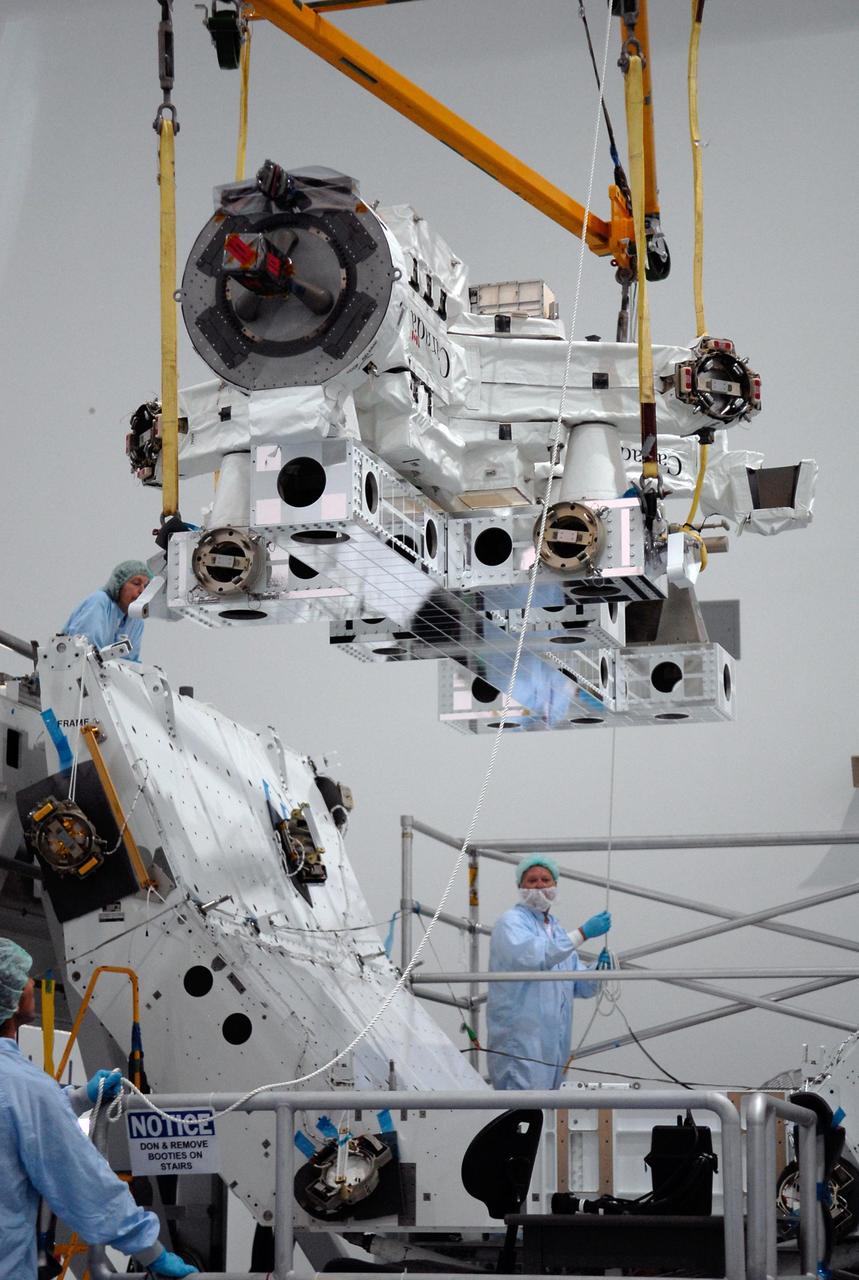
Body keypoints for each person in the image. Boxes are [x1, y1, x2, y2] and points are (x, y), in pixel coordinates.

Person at [0, 938, 196, 1278]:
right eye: (23, 976)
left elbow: (16, 1119)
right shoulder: (28, 1088)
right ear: (11, 997)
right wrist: (151, 1251)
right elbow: (84, 1183)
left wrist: (76, 1099)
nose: (31, 982)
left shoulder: (26, 1091)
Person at [486, 856, 611, 1091]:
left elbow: (578, 985)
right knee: (521, 1105)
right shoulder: (510, 923)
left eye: (545, 880)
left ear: (555, 885)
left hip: (554, 1044)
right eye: (532, 880)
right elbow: (536, 955)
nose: (539, 885)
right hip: (521, 1040)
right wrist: (583, 933)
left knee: (549, 1107)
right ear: (520, 887)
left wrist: (599, 970)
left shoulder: (556, 930)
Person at [62, 560, 152, 662]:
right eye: (136, 583)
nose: (142, 591)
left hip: (107, 672)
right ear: (119, 584)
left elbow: (130, 664)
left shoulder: (136, 621)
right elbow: (84, 652)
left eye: (146, 586)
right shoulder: (99, 602)